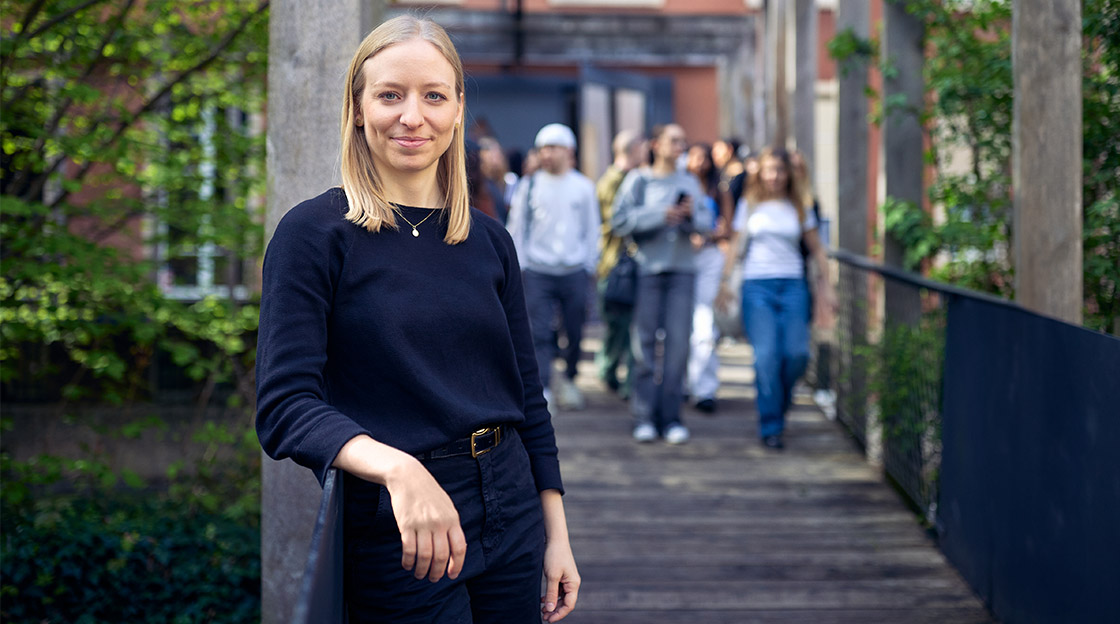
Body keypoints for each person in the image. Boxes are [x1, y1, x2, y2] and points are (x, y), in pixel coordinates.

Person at [255, 16, 579, 623]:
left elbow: (527, 401)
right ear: (356, 108)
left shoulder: (489, 240)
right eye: (389, 95)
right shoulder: (313, 235)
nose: (412, 116)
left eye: (433, 95)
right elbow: (284, 405)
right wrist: (396, 467)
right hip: (402, 525)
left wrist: (556, 532)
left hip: (511, 506)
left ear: (458, 109)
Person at [716, 146, 836, 450]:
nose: (774, 176)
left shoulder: (799, 206)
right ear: (761, 172)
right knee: (766, 356)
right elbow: (736, 244)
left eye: (780, 170)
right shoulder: (750, 204)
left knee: (796, 354)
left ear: (788, 174)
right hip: (758, 286)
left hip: (793, 285)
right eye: (769, 169)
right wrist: (725, 281)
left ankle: (778, 402)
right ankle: (771, 425)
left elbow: (817, 249)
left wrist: (828, 286)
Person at [612, 123, 714, 444]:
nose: (680, 146)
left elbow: (707, 225)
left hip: (683, 270)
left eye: (684, 140)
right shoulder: (638, 180)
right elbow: (619, 221)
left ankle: (671, 418)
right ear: (656, 144)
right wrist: (660, 214)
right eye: (674, 140)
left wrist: (687, 217)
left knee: (678, 347)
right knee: (643, 347)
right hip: (647, 271)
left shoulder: (690, 182)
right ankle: (644, 416)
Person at [506, 123, 599, 412]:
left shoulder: (582, 186)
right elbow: (517, 228)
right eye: (543, 148)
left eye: (553, 148)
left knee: (574, 329)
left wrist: (588, 265)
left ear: (568, 151)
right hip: (538, 271)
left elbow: (592, 229)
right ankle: (543, 386)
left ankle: (570, 377)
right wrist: (520, 266)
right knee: (539, 332)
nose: (547, 154)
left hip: (573, 270)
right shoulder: (528, 185)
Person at [594, 129, 647, 398]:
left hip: (622, 264)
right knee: (619, 325)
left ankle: (618, 375)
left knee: (625, 326)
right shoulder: (612, 182)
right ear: (633, 150)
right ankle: (610, 371)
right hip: (615, 264)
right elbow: (617, 222)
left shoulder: (626, 179)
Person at [684, 143, 726, 413]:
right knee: (680, 326)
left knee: (704, 324)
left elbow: (728, 227)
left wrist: (709, 235)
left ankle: (704, 387)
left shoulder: (718, 190)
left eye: (704, 158)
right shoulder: (678, 186)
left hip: (709, 258)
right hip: (682, 259)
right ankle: (686, 383)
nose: (700, 162)